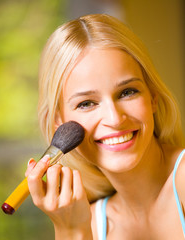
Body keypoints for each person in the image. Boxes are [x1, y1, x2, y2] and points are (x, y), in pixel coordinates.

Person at [25, 14, 185, 239]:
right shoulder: (90, 223)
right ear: (58, 122)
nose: (115, 118)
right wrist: (72, 232)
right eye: (87, 103)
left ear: (153, 97)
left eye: (127, 92)